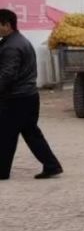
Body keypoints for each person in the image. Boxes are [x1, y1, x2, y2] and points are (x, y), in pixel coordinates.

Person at [0, 9, 63, 180]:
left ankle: (2, 172)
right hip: (28, 96)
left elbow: (7, 75)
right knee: (30, 132)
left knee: (6, 134)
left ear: (6, 25)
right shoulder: (17, 41)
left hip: (16, 98)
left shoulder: (12, 47)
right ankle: (52, 165)